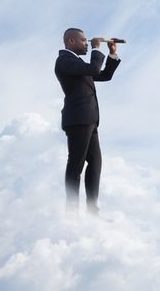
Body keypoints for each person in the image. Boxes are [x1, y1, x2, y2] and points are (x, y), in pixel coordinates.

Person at [54, 28, 121, 216]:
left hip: (90, 120)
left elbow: (103, 75)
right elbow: (93, 68)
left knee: (95, 163)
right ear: (71, 41)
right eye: (83, 40)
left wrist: (112, 54)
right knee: (76, 165)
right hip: (78, 119)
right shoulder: (64, 61)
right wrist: (97, 48)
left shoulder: (78, 65)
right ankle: (72, 212)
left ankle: (92, 211)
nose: (87, 43)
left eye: (88, 41)